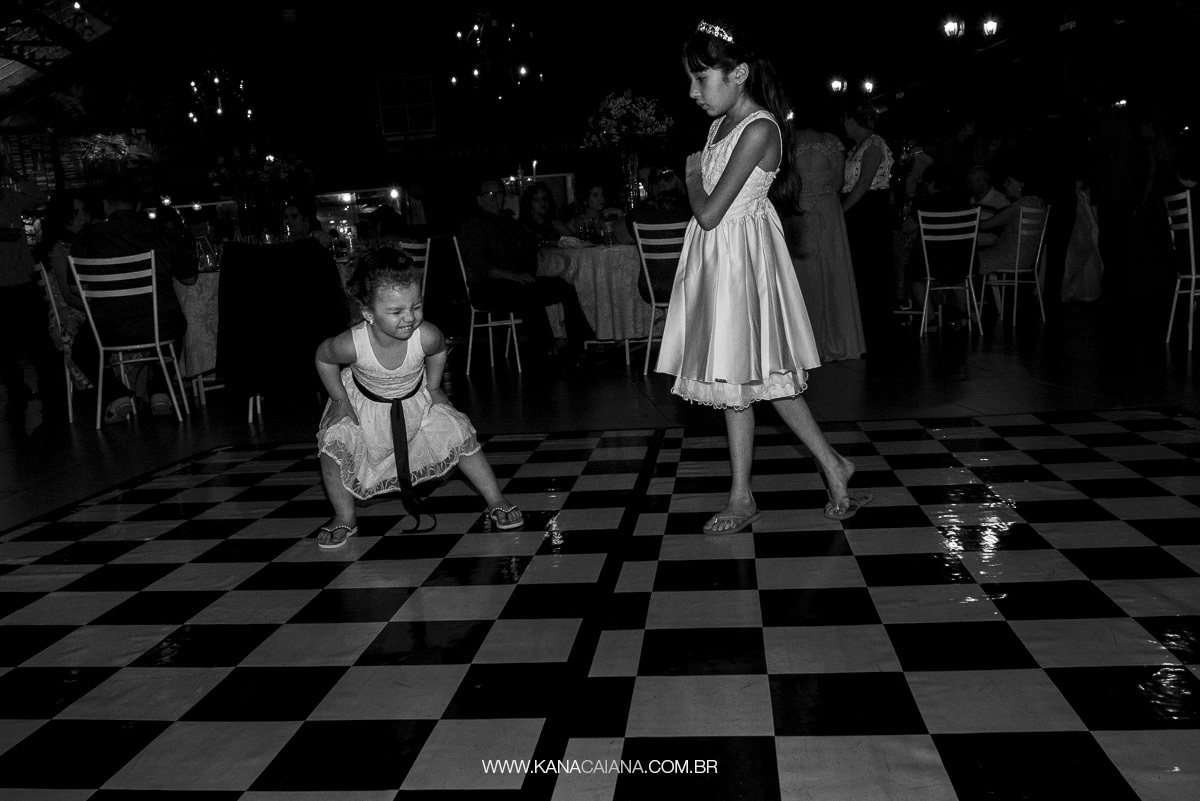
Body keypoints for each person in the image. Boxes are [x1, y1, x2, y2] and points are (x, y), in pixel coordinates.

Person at [656, 18, 869, 534]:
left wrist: (688, 175)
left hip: (742, 263)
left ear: (739, 74)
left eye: (701, 79)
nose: (692, 92)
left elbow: (709, 211)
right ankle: (755, 491)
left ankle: (786, 482)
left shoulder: (759, 128)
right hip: (719, 260)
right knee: (741, 382)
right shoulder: (719, 125)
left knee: (761, 379)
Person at [314, 247, 521, 548]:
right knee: (334, 449)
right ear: (368, 313)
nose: (409, 318)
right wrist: (339, 399)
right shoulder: (352, 343)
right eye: (396, 312)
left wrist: (434, 388)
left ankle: (496, 498)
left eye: (416, 306)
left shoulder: (426, 334)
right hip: (364, 404)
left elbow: (437, 351)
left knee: (460, 434)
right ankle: (345, 517)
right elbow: (323, 358)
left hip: (415, 399)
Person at [70, 175, 198, 422]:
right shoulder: (163, 233)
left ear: (106, 204)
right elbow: (190, 279)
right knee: (178, 324)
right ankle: (161, 389)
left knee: (82, 348)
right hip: (159, 324)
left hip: (109, 329)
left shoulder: (88, 237)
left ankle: (117, 395)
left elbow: (74, 288)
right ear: (138, 206)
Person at [458, 177, 595, 363]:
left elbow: (530, 240)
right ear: (479, 199)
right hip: (487, 287)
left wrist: (550, 240)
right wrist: (511, 275)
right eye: (490, 194)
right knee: (529, 291)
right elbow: (478, 263)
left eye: (499, 193)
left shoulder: (507, 222)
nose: (496, 198)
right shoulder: (474, 225)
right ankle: (546, 350)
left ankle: (579, 347)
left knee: (564, 286)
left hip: (514, 281)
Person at [787, 108, 865, 362]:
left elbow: (782, 182)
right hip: (828, 212)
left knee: (804, 276)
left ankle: (803, 345)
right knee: (834, 273)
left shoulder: (786, 140)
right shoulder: (831, 142)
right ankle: (841, 338)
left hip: (799, 213)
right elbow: (838, 182)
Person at [0, 149, 58, 420]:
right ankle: (16, 389)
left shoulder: (10, 198)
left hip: (22, 278)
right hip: (3, 284)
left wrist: (13, 172)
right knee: (6, 344)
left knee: (37, 337)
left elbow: (40, 198)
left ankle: (47, 389)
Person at [841, 103, 895, 351]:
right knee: (859, 266)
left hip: (869, 210)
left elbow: (863, 183)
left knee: (870, 266)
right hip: (860, 208)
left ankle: (876, 327)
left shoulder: (874, 144)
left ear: (853, 121)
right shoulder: (857, 148)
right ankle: (861, 324)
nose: (843, 125)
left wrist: (842, 211)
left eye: (845, 120)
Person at [37, 192, 95, 390]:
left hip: (82, 310)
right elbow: (69, 296)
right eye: (75, 212)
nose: (83, 217)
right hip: (71, 317)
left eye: (83, 211)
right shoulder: (60, 249)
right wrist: (100, 309)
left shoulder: (79, 243)